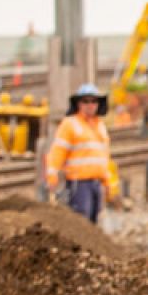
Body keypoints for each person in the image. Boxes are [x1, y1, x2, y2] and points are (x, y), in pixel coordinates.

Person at [45, 83, 116, 224]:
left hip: (97, 183)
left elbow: (104, 158)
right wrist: (52, 176)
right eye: (85, 101)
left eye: (94, 101)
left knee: (95, 221)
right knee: (82, 220)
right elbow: (58, 152)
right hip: (79, 183)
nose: (90, 105)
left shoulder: (100, 126)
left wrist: (109, 182)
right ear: (78, 103)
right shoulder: (70, 124)